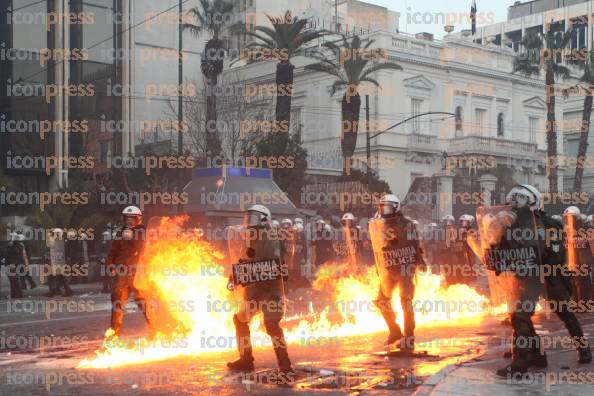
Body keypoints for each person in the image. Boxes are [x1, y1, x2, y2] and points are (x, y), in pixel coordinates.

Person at [487, 185, 592, 377]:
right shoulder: (510, 226)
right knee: (519, 316)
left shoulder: (549, 224)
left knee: (565, 313)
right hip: (528, 278)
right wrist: (495, 258)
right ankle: (528, 358)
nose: (513, 206)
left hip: (550, 277)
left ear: (530, 202)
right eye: (513, 202)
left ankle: (583, 348)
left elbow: (556, 253)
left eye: (517, 202)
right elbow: (501, 251)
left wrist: (542, 260)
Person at [226, 204, 294, 379]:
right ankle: (246, 360)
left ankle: (285, 367)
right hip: (255, 291)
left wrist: (246, 272)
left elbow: (273, 266)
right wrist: (236, 275)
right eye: (248, 217)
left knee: (272, 325)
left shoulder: (271, 237)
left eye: (254, 217)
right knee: (240, 320)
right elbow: (246, 260)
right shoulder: (250, 237)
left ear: (265, 219)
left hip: (271, 290)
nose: (249, 220)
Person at [368, 195, 426, 351]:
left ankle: (409, 337)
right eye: (381, 207)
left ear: (395, 207)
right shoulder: (380, 225)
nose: (382, 210)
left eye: (386, 206)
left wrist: (420, 261)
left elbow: (414, 245)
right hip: (390, 268)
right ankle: (395, 331)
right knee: (381, 300)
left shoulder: (407, 224)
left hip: (405, 268)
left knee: (405, 301)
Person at [107, 206, 153, 338]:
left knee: (144, 304)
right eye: (126, 218)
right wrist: (110, 265)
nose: (129, 221)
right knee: (117, 303)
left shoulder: (144, 232)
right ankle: (114, 334)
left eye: (131, 219)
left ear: (138, 219)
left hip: (138, 274)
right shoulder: (120, 233)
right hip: (122, 274)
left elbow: (148, 249)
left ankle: (156, 329)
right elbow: (113, 251)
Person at [562, 206, 593, 303]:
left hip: (583, 261)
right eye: (567, 217)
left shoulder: (585, 229)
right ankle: (576, 302)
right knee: (572, 282)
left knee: (582, 282)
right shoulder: (566, 230)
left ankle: (584, 303)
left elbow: (589, 242)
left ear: (577, 218)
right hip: (572, 261)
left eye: (571, 217)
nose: (569, 220)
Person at [46, 228, 73, 297]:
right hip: (58, 262)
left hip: (59, 263)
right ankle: (67, 291)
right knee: (60, 278)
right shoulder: (60, 241)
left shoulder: (59, 242)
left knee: (57, 277)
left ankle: (53, 292)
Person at [4, 233, 24, 298]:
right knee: (15, 280)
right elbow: (19, 257)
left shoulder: (12, 246)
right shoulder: (19, 246)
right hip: (15, 265)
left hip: (11, 265)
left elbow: (9, 256)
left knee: (13, 280)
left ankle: (16, 294)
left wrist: (12, 264)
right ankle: (17, 294)